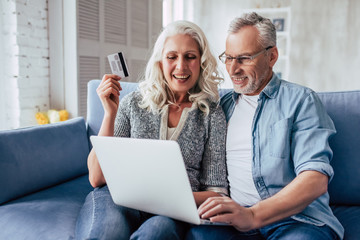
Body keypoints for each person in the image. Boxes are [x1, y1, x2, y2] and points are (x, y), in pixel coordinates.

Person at [186, 12, 344, 240]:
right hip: (231, 221)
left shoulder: (301, 101)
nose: (232, 70)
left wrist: (252, 215)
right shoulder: (220, 106)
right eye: (228, 58)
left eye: (244, 58)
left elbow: (315, 178)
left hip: (294, 221)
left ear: (272, 56)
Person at [74, 20, 228, 240]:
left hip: (172, 211)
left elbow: (217, 193)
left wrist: (172, 199)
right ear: (160, 62)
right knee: (105, 234)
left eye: (190, 57)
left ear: (201, 62)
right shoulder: (132, 103)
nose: (181, 66)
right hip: (119, 200)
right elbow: (97, 178)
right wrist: (110, 113)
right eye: (172, 57)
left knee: (155, 234)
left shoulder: (211, 115)